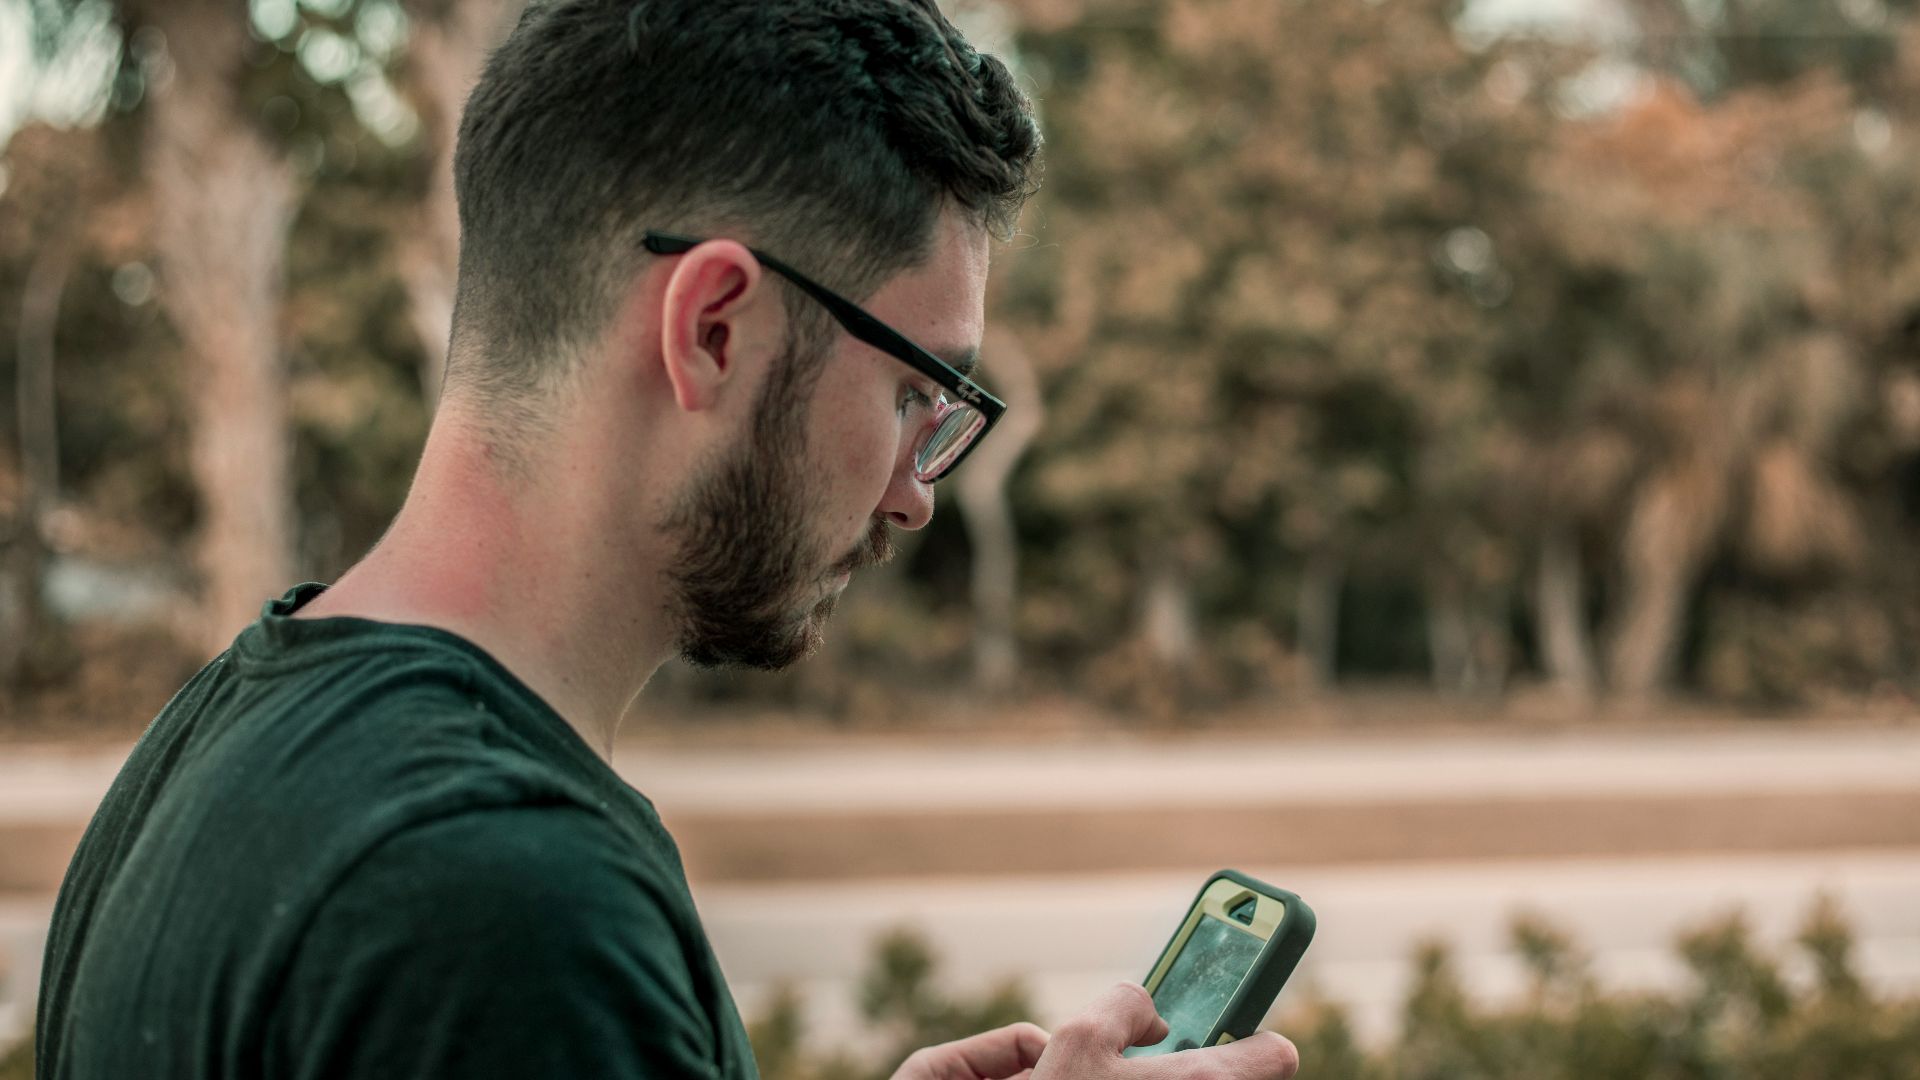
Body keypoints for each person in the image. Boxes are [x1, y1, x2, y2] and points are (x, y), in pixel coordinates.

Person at [37, 1, 1302, 1078]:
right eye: (918, 391)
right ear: (712, 329)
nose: (916, 494)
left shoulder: (222, 735)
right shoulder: (507, 900)